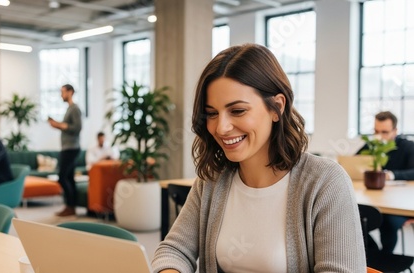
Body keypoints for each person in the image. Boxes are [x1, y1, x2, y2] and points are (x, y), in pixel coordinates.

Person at [152, 44, 366, 272]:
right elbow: (174, 250)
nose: (221, 127)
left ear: (277, 108)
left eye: (237, 111)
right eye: (212, 113)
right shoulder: (212, 181)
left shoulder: (325, 182)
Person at [357, 111, 414, 253]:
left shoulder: (408, 147)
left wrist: (392, 175)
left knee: (387, 222)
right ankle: (373, 255)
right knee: (355, 218)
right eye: (376, 131)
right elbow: (353, 161)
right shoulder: (371, 146)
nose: (380, 136)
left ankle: (386, 259)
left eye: (385, 132)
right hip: (373, 200)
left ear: (395, 131)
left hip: (398, 205)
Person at [48, 84, 82, 217]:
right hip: (67, 148)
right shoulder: (69, 109)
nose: (61, 95)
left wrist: (58, 125)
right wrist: (57, 125)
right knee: (69, 178)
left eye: (63, 92)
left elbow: (77, 128)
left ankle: (70, 205)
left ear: (70, 92)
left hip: (71, 148)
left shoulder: (75, 109)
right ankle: (71, 207)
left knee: (62, 177)